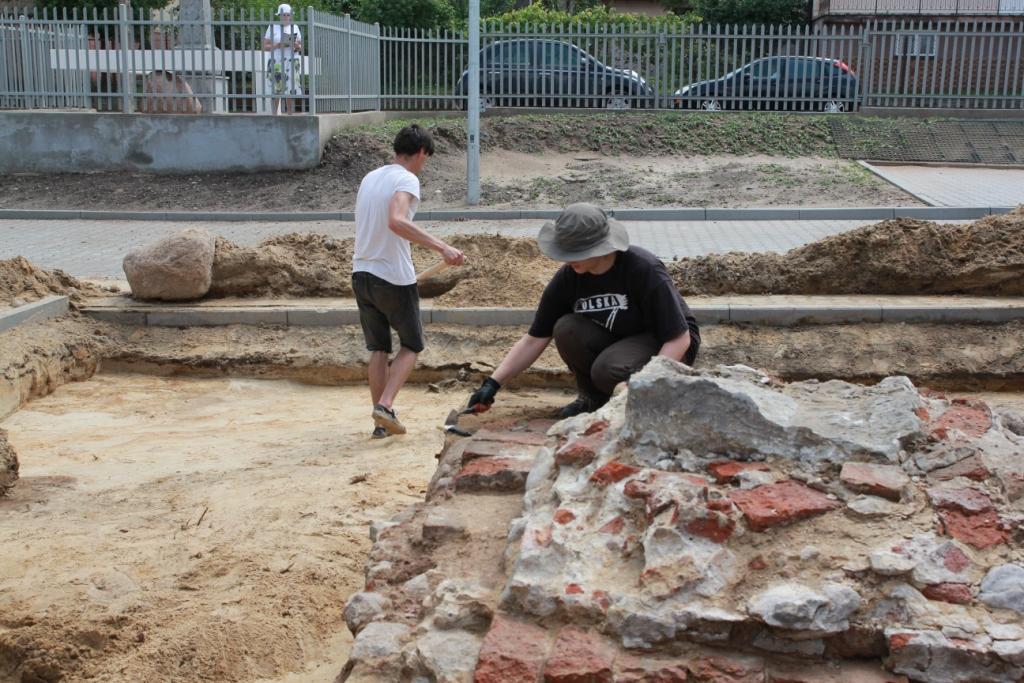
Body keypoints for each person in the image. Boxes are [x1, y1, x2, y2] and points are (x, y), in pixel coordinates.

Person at [467, 202, 700, 419]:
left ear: (600, 247)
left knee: (607, 369)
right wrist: (492, 383)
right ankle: (593, 400)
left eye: (575, 253)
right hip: (620, 339)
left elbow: (680, 338)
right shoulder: (569, 278)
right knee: (566, 328)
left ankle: (645, 400)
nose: (568, 260)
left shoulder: (643, 269)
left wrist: (645, 384)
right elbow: (534, 339)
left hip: (666, 345)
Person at [353, 124, 465, 439]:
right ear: (419, 153)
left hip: (361, 272)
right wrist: (443, 247)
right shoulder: (406, 178)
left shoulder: (370, 178)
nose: (423, 165)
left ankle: (380, 423)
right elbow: (397, 221)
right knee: (412, 344)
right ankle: (386, 406)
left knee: (378, 348)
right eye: (425, 159)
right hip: (392, 275)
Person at [262, 3, 302, 115]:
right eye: (283, 15)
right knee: (276, 88)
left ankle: (289, 113)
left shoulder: (295, 28)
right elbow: (264, 46)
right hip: (276, 61)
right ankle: (274, 114)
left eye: (287, 15)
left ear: (291, 16)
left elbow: (300, 46)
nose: (285, 17)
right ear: (279, 15)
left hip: (291, 60)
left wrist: (295, 45)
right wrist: (277, 45)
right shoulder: (272, 27)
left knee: (290, 88)